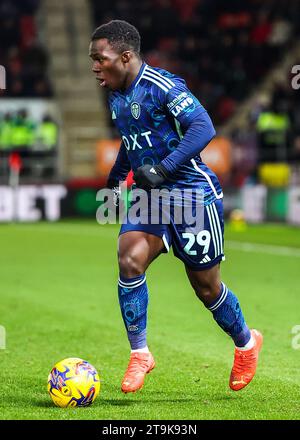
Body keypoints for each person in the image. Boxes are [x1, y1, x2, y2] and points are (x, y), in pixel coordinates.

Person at [89, 20, 263, 394]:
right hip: (152, 199)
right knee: (129, 259)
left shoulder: (164, 87)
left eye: (99, 59)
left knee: (206, 288)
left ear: (125, 56)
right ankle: (140, 354)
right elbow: (130, 139)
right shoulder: (117, 93)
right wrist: (117, 177)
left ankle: (247, 343)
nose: (94, 67)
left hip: (191, 197)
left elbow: (203, 127)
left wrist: (165, 168)